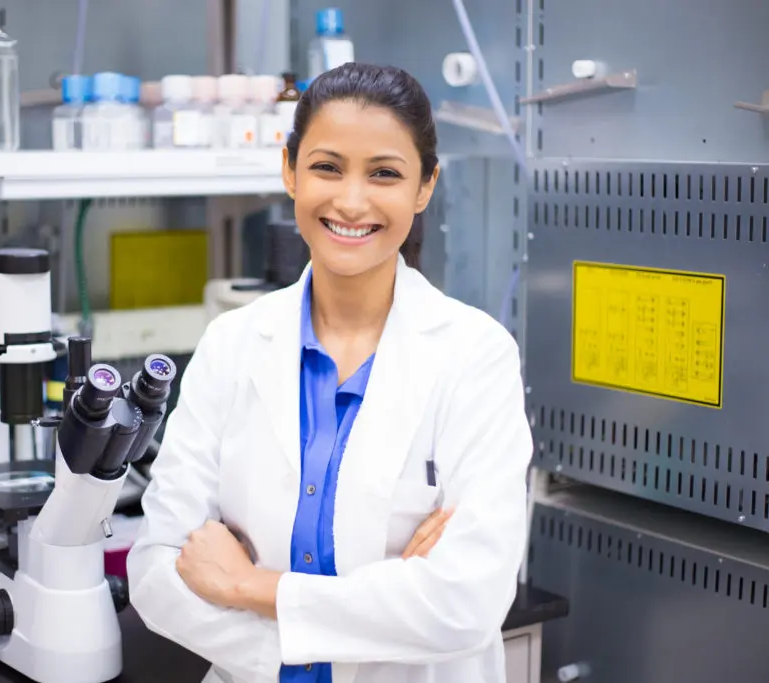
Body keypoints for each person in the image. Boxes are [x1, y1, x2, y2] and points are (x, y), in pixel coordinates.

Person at [126, 62, 534, 683]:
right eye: (327, 167)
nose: (351, 201)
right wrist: (359, 620)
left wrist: (247, 585)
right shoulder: (232, 345)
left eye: (385, 174)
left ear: (425, 187)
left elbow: (464, 603)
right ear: (290, 170)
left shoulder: (475, 356)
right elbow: (158, 570)